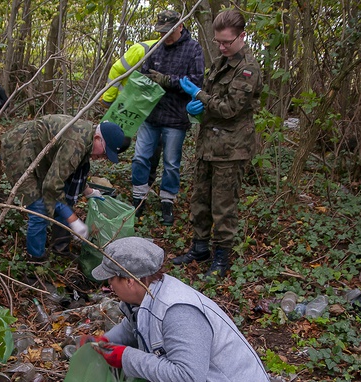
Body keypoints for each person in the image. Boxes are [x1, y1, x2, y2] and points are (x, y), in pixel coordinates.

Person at [83, 236, 280, 382]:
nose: (108, 287)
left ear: (130, 281)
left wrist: (126, 357)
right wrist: (105, 342)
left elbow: (189, 381)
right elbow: (134, 325)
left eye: (111, 280)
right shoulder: (150, 293)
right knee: (150, 378)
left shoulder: (178, 311)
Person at [172, 10, 263, 278]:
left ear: (242, 36)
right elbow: (213, 99)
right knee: (200, 201)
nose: (222, 47)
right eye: (218, 42)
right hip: (208, 144)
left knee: (223, 206)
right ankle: (199, 248)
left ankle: (221, 258)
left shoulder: (248, 69)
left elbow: (229, 108)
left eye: (227, 42)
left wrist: (200, 94)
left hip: (231, 149)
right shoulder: (222, 62)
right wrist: (196, 106)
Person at [1, 114, 126, 262]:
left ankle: (58, 249)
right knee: (39, 208)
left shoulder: (87, 136)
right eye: (105, 152)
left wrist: (87, 190)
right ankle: (35, 259)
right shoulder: (77, 144)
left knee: (56, 197)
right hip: (18, 150)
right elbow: (51, 187)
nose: (103, 157)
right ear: (98, 138)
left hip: (38, 152)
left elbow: (67, 173)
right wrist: (73, 219)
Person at [130, 10, 204, 226]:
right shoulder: (155, 48)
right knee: (140, 157)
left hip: (176, 117)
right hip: (151, 115)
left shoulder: (194, 49)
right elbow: (144, 73)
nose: (165, 36)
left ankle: (167, 202)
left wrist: (168, 81)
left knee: (171, 163)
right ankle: (138, 199)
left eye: (168, 31)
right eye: (161, 32)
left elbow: (196, 81)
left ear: (180, 27)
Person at [101, 39, 163, 189]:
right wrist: (108, 98)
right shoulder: (141, 50)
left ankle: (147, 181)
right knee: (119, 140)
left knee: (154, 145)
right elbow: (117, 70)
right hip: (128, 105)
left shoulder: (176, 53)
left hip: (152, 108)